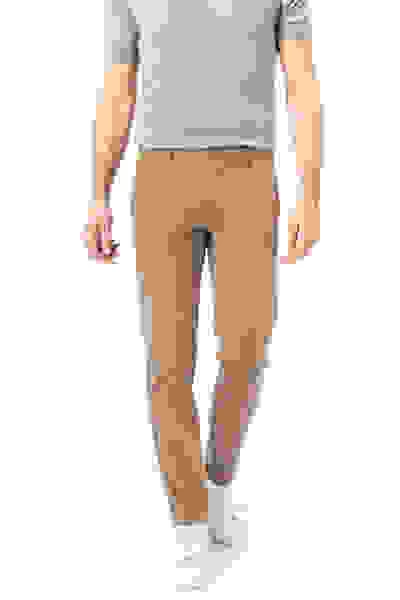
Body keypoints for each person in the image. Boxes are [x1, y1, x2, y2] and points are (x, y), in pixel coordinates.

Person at [83, 0, 321, 588]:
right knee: (168, 360)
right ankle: (188, 520)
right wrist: (97, 195)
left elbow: (302, 84)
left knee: (247, 347)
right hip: (160, 176)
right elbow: (118, 89)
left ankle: (217, 478)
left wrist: (310, 194)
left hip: (249, 175)